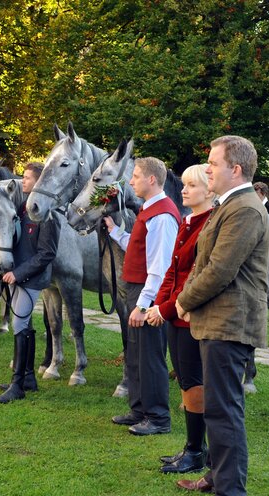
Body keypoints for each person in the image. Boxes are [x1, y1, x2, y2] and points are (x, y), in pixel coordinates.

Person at [174, 135, 269, 496]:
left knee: (225, 410)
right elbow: (206, 262)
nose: (208, 169)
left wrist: (183, 300)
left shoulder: (245, 208)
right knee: (218, 406)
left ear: (235, 169)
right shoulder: (230, 205)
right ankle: (216, 477)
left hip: (230, 324)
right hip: (216, 321)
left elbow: (220, 270)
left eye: (213, 163)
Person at [106, 157, 180, 436]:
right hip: (139, 290)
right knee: (136, 354)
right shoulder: (150, 210)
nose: (131, 181)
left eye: (136, 176)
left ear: (152, 180)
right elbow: (139, 248)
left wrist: (142, 305)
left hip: (148, 294)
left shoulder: (161, 214)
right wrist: (116, 233)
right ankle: (139, 409)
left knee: (150, 356)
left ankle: (158, 417)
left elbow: (159, 268)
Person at [146, 164, 213, 474]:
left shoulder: (208, 225)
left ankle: (196, 450)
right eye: (184, 185)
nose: (184, 190)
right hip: (175, 314)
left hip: (190, 316)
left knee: (193, 383)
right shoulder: (187, 221)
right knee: (187, 382)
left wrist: (166, 309)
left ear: (209, 191)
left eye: (191, 186)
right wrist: (158, 305)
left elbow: (195, 279)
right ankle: (194, 446)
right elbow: (172, 270)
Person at [0, 162, 60, 403]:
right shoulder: (22, 208)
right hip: (18, 274)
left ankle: (17, 385)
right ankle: (28, 377)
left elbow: (47, 254)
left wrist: (18, 273)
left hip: (31, 278)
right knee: (24, 324)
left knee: (19, 325)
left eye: (27, 178)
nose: (23, 181)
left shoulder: (48, 215)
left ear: (38, 182)